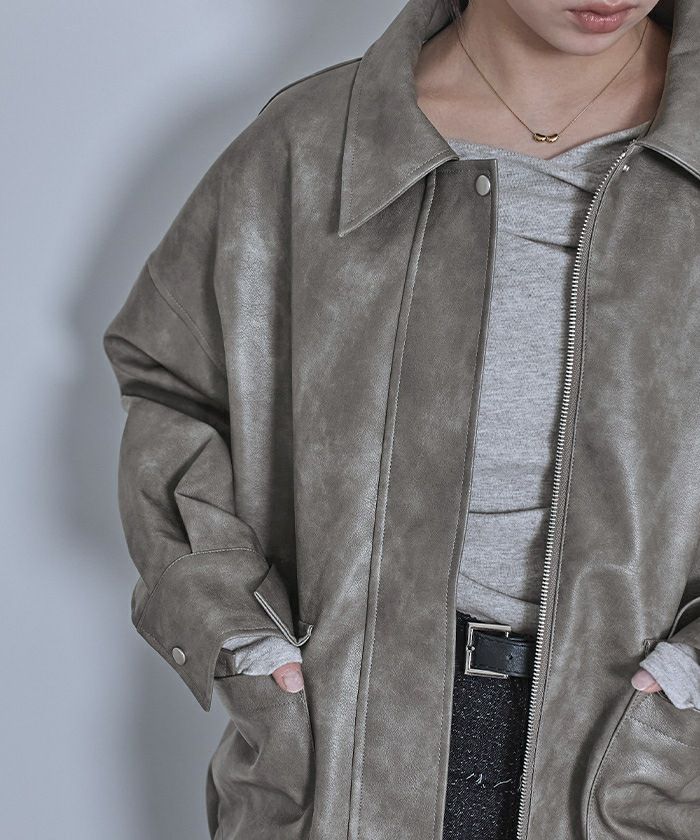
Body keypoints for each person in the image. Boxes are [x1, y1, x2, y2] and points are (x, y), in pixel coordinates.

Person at [102, 0, 700, 838]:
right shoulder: (315, 143)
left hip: (644, 760)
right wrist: (235, 631)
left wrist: (690, 674)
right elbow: (173, 387)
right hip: (341, 752)